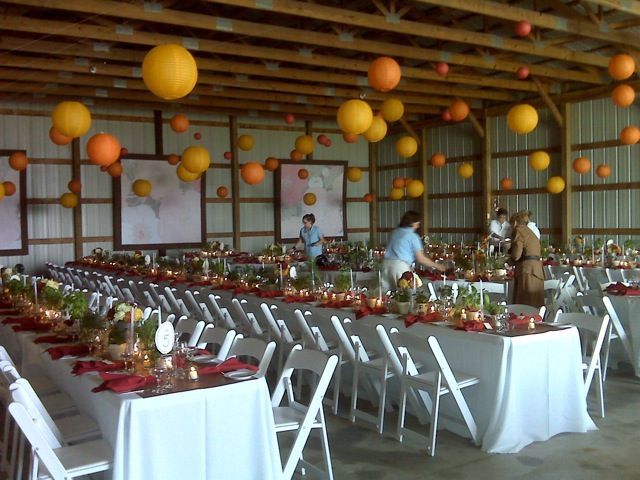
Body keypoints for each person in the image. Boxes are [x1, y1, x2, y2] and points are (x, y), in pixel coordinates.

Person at [381, 211, 446, 292]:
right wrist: (438, 266)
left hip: (386, 265)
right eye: (418, 223)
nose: (418, 225)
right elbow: (421, 259)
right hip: (400, 266)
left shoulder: (395, 232)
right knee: (404, 296)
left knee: (385, 295)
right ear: (413, 223)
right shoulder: (412, 236)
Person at [509, 211, 544, 308]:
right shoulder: (530, 232)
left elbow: (516, 255)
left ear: (515, 222)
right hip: (536, 270)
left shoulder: (519, 230)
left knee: (525, 305)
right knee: (535, 304)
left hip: (527, 270)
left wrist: (509, 260)